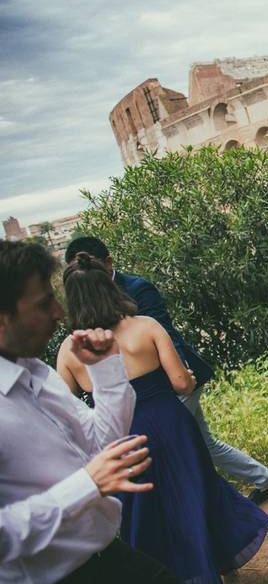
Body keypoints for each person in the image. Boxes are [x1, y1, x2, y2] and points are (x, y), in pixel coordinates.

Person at [57, 252, 268, 583]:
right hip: (171, 425)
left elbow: (64, 414)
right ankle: (225, 569)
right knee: (197, 493)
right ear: (110, 289)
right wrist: (187, 377)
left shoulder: (69, 352)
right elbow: (181, 382)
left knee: (145, 515)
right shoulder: (146, 327)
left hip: (122, 439)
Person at [0, 240, 178, 584]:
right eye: (44, 303)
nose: (59, 313)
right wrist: (86, 485)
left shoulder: (39, 374)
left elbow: (102, 444)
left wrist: (106, 371)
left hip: (110, 557)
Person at [64, 236, 268, 504]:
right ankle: (263, 481)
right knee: (198, 446)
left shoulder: (137, 290)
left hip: (169, 383)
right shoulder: (88, 337)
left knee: (186, 453)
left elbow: (165, 332)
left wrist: (179, 378)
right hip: (152, 396)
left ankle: (238, 491)